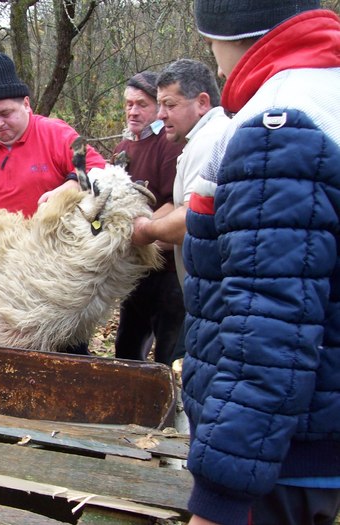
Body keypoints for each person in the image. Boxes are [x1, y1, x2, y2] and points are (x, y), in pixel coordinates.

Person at [183, 2, 340, 524]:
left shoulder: (279, 123)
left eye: (210, 43)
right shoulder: (326, 94)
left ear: (227, 30)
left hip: (275, 467)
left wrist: (219, 498)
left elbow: (271, 330)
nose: (217, 63)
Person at [0, 52, 106, 228]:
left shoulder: (56, 133)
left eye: (6, 114)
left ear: (26, 104)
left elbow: (98, 168)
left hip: (52, 243)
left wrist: (66, 191)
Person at [131, 59, 229, 288]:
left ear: (202, 103)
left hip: (215, 290)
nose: (160, 115)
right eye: (159, 105)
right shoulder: (204, 138)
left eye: (170, 105)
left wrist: (144, 230)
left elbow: (191, 221)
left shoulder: (209, 140)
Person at [112, 71, 185, 365]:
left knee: (169, 352)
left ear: (158, 108)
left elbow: (174, 202)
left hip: (167, 271)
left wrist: (143, 234)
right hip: (134, 270)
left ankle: (171, 405)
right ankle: (130, 407)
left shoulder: (169, 144)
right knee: (127, 349)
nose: (132, 111)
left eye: (141, 104)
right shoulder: (123, 148)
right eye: (128, 104)